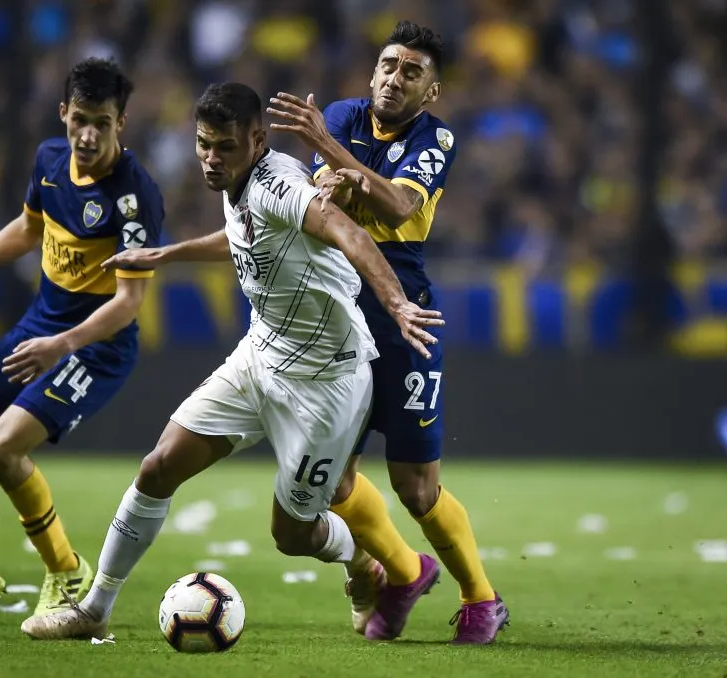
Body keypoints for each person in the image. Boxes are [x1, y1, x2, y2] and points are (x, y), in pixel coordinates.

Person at [20, 81, 443, 641]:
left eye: (225, 147)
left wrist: (397, 304)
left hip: (326, 383)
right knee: (158, 467)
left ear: (258, 140)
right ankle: (93, 608)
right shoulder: (237, 180)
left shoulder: (280, 186)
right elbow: (239, 234)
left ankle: (364, 565)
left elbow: (347, 233)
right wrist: (167, 254)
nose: (211, 159)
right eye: (203, 145)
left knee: (293, 535)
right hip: (260, 357)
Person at [266, 20, 508, 644]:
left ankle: (481, 597)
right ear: (373, 71)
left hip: (405, 317)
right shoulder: (345, 116)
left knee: (416, 486)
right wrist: (333, 168)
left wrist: (331, 154)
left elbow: (399, 207)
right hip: (338, 319)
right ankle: (402, 572)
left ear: (432, 91)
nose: (396, 79)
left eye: (412, 72)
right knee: (333, 477)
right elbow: (324, 193)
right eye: (389, 65)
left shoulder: (436, 137)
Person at [0, 58, 164, 627]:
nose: (88, 135)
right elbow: (28, 229)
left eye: (102, 122)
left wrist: (62, 346)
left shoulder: (134, 196)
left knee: (1, 449)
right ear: (63, 114)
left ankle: (65, 569)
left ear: (121, 122)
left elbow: (128, 303)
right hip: (39, 329)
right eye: (80, 120)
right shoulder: (50, 160)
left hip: (97, 348)